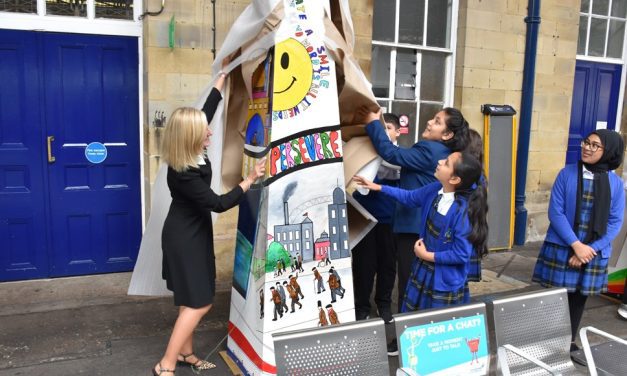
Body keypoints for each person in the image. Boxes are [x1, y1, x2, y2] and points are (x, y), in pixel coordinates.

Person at [153, 66, 266, 376]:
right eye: (205, 130)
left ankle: (186, 353)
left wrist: (223, 75)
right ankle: (165, 364)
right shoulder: (184, 172)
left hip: (193, 232)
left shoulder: (191, 151)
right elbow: (218, 203)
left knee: (190, 298)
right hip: (183, 238)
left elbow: (208, 109)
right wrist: (249, 180)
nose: (211, 132)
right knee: (200, 303)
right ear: (191, 137)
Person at [354, 151, 487, 355]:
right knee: (414, 313)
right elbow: (409, 197)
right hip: (423, 270)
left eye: (446, 162)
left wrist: (427, 256)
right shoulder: (436, 189)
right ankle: (406, 346)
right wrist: (377, 187)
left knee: (439, 325)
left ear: (454, 179)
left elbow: (461, 255)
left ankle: (435, 358)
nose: (439, 161)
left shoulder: (462, 212)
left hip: (445, 279)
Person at [357, 106, 470, 318]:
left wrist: (373, 122)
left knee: (411, 288)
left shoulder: (431, 151)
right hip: (420, 227)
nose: (429, 122)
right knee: (415, 286)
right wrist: (378, 187)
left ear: (447, 134)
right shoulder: (440, 160)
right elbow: (411, 195)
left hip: (416, 229)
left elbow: (391, 153)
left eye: (437, 121)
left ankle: (405, 339)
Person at [532, 130, 625, 352]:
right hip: (564, 246)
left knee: (578, 298)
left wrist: (589, 250)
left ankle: (568, 341)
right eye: (586, 142)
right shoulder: (566, 174)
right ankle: (545, 341)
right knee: (555, 297)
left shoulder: (616, 184)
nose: (587, 148)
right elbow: (556, 213)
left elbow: (615, 222)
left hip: (592, 251)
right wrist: (576, 246)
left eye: (595, 145)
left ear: (608, 151)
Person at [352, 113, 401, 322]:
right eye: (381, 128)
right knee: (364, 265)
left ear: (398, 132)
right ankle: (361, 307)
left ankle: (384, 304)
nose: (384, 132)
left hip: (390, 220)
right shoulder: (365, 155)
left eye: (388, 128)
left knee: (387, 266)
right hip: (365, 218)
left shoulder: (400, 157)